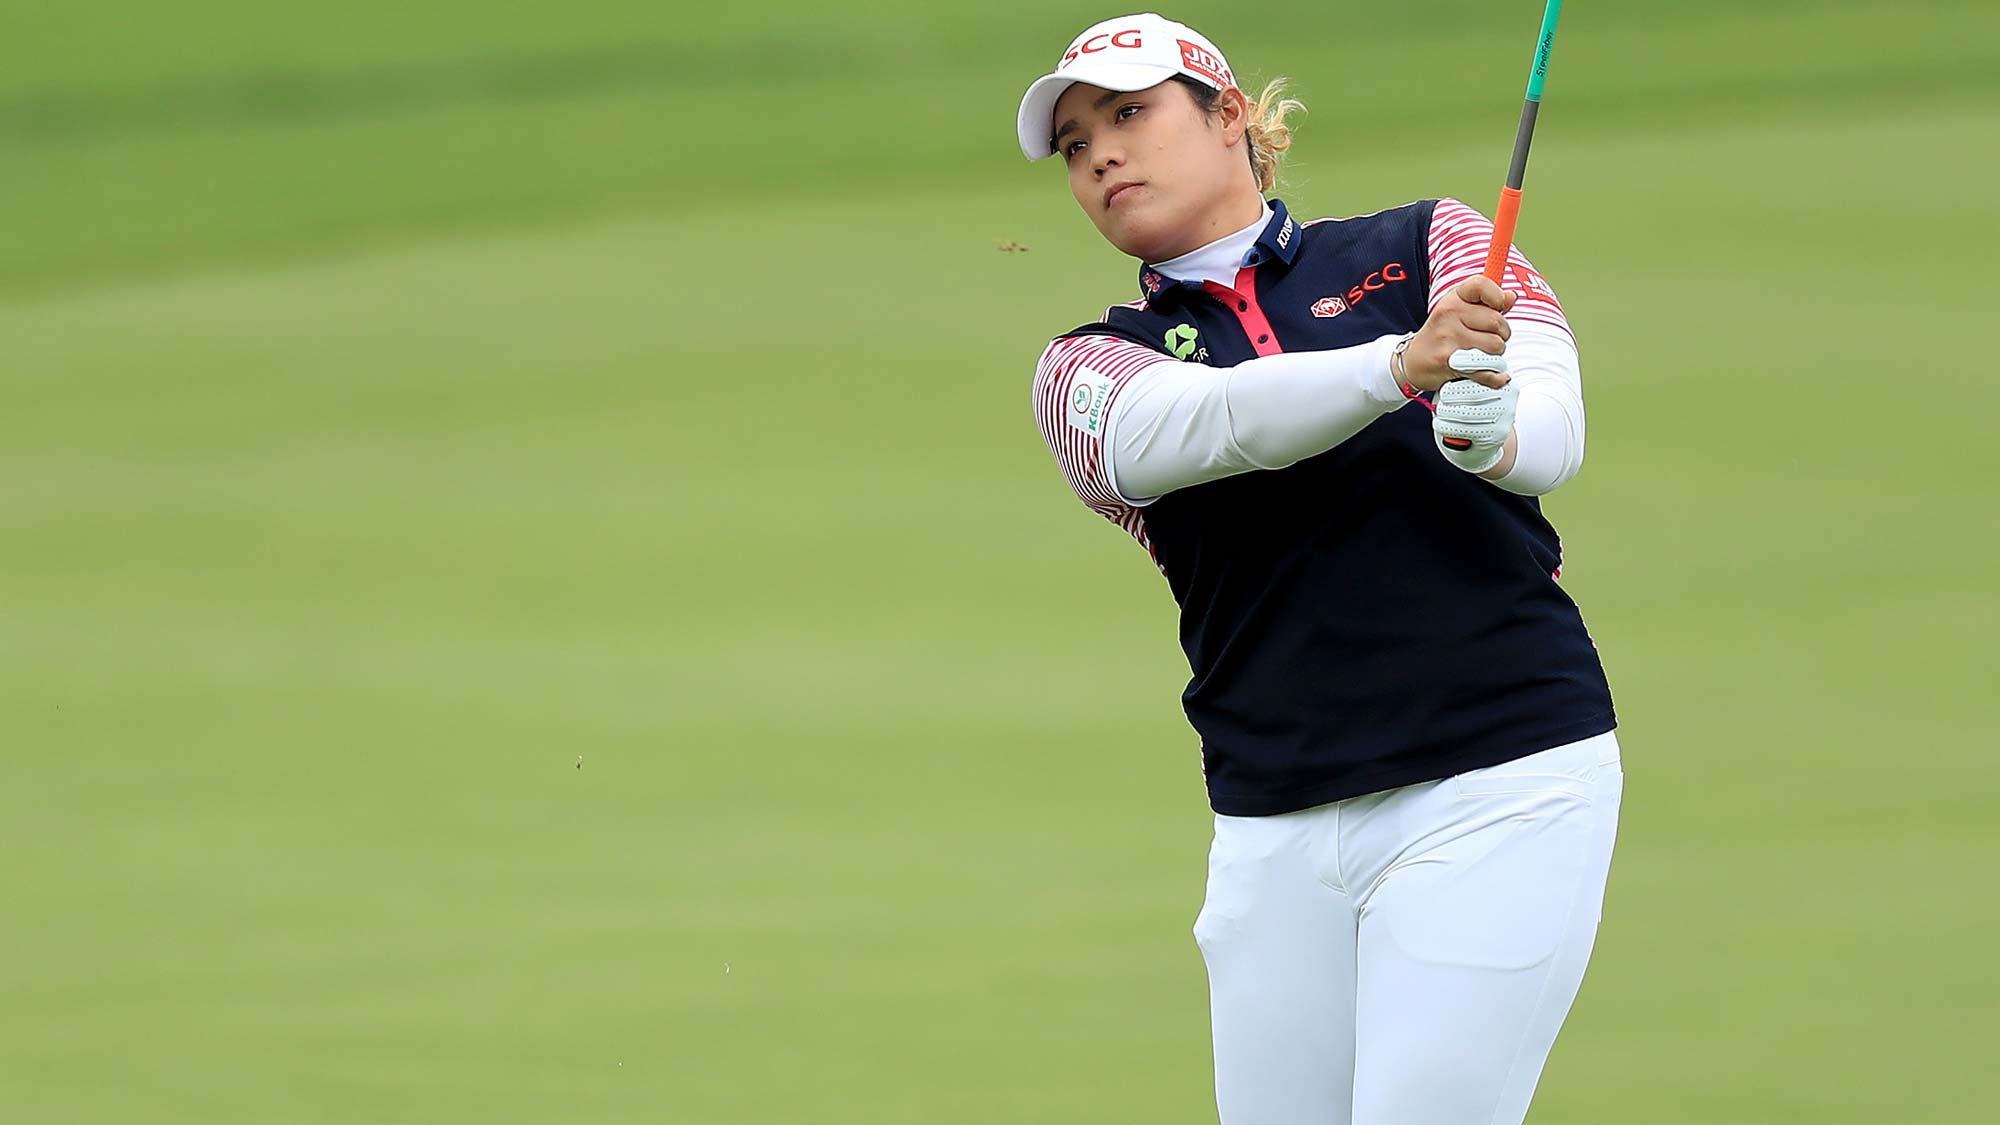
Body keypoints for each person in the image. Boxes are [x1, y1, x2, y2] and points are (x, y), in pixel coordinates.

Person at [1017, 13, 1624, 1125]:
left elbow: (1551, 435)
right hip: (1275, 826)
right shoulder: (1088, 367)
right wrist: (1399, 366)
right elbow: (1209, 426)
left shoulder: (1427, 243)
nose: (1100, 153)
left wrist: (1487, 434)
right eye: (1072, 144)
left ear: (1230, 118)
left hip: (1497, 780)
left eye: (1128, 113)